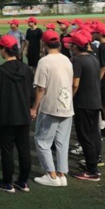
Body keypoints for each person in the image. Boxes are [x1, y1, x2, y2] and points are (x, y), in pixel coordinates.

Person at [0, 35, 34, 193]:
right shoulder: (26, 69)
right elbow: (31, 92)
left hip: (6, 115)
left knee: (7, 150)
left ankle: (7, 181)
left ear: (4, 50)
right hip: (23, 114)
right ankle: (23, 181)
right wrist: (31, 108)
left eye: (0, 48)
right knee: (24, 149)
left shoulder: (0, 70)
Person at [30, 31, 74, 187]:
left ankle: (51, 175)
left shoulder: (44, 61)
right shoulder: (66, 59)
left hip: (50, 106)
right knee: (62, 141)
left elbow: (40, 88)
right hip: (66, 105)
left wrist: (34, 108)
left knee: (42, 140)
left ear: (44, 43)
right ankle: (61, 174)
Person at [68, 30, 103, 182]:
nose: (70, 46)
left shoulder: (78, 61)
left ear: (76, 46)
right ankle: (93, 163)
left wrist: (69, 98)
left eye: (72, 44)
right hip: (95, 101)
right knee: (93, 134)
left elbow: (75, 84)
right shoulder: (93, 58)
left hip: (83, 103)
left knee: (85, 136)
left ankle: (91, 170)